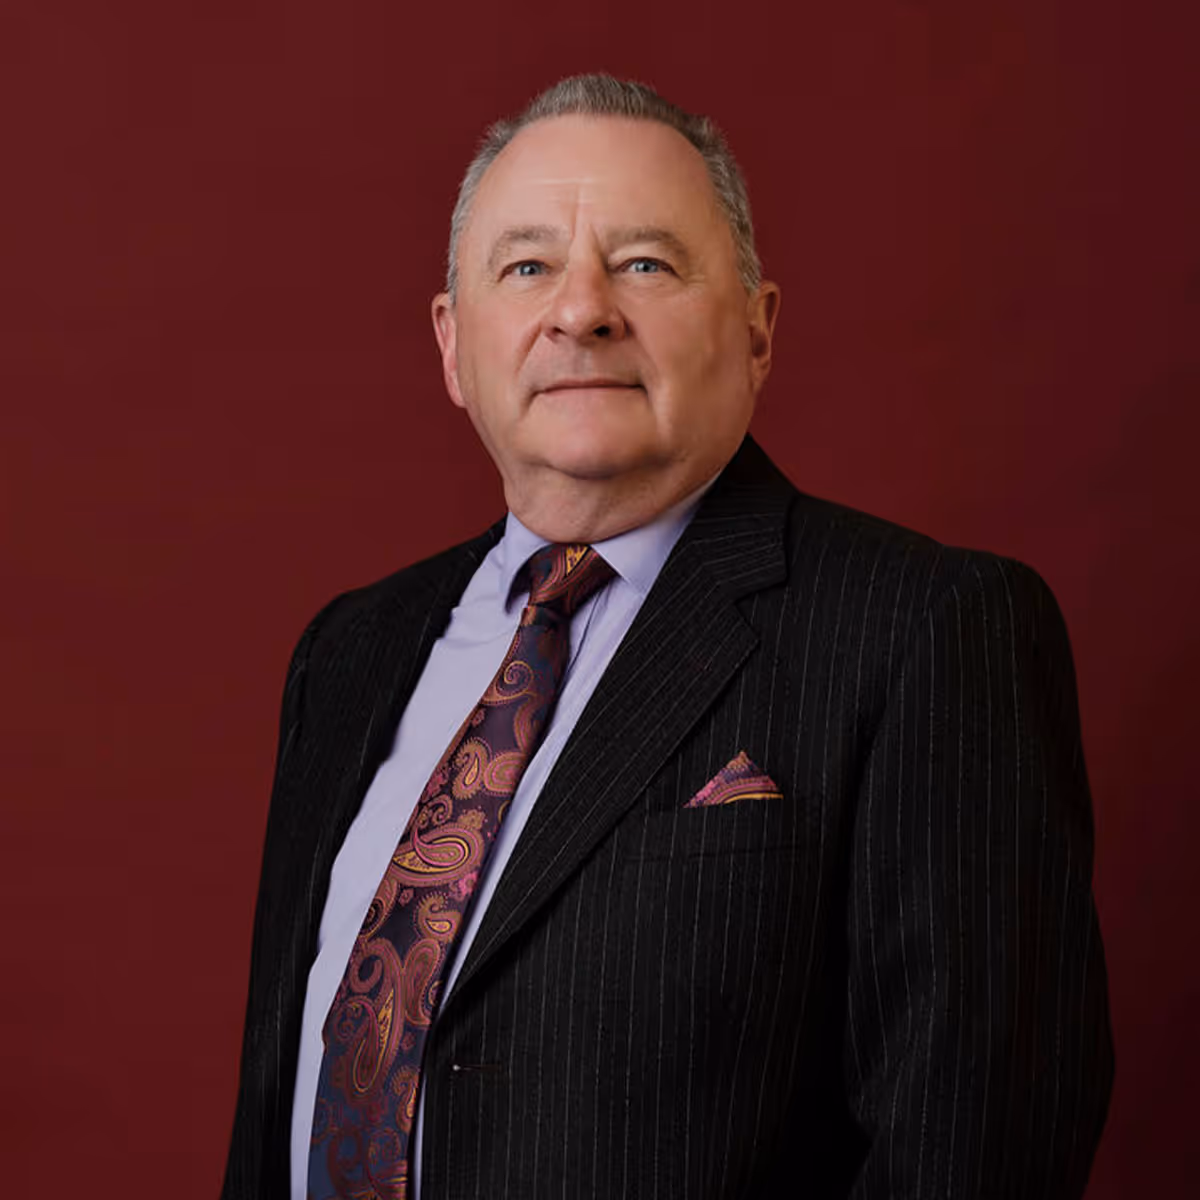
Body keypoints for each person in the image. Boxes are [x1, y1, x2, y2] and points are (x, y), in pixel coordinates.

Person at [221, 74, 1113, 1200]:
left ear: (757, 327)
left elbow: (976, 1149)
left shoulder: (926, 631)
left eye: (645, 264)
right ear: (452, 344)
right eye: (527, 267)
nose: (581, 311)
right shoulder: (349, 654)